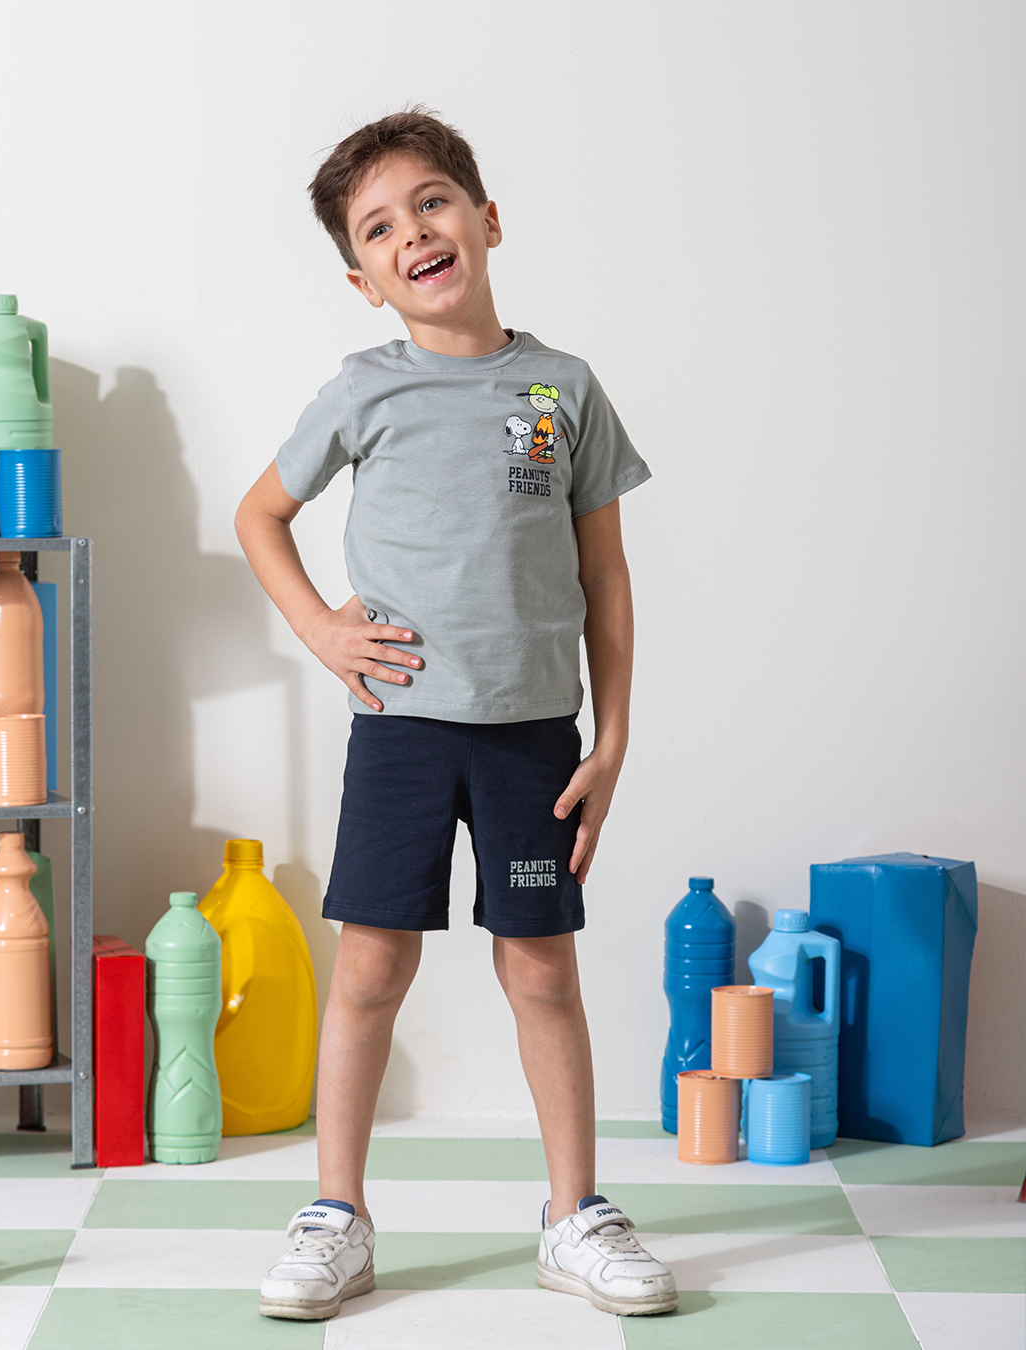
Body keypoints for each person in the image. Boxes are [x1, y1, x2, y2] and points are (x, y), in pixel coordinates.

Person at [235, 108, 677, 1323]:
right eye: (380, 229)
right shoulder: (363, 389)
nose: (414, 233)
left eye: (431, 203)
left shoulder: (561, 388)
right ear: (364, 280)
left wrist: (614, 738)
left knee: (542, 970)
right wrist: (323, 629)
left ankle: (574, 1216)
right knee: (371, 968)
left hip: (536, 735)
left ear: (485, 219)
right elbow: (259, 516)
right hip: (403, 730)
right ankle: (336, 1214)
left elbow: (606, 580)